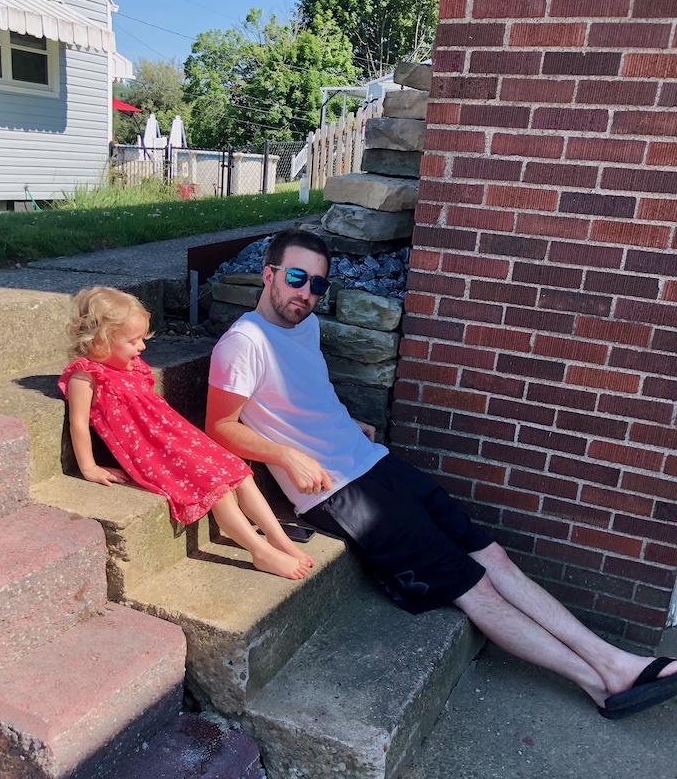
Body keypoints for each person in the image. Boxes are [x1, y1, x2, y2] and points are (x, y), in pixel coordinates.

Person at [206, 228, 677, 719]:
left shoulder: (305, 326)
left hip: (373, 463)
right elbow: (219, 428)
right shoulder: (244, 343)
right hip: (339, 494)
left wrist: (347, 422)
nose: (306, 293)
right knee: (475, 587)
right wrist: (286, 455)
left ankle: (615, 661)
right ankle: (598, 682)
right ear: (269, 274)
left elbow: (304, 396)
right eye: (297, 278)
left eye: (318, 285)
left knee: (492, 555)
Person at [58, 286, 314, 581]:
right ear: (100, 341)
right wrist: (88, 467)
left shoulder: (128, 366)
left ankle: (278, 538)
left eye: (142, 338)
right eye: (133, 341)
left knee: (238, 471)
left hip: (175, 436)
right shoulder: (87, 375)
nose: (141, 347)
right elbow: (79, 422)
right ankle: (259, 551)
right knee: (216, 487)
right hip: (152, 451)